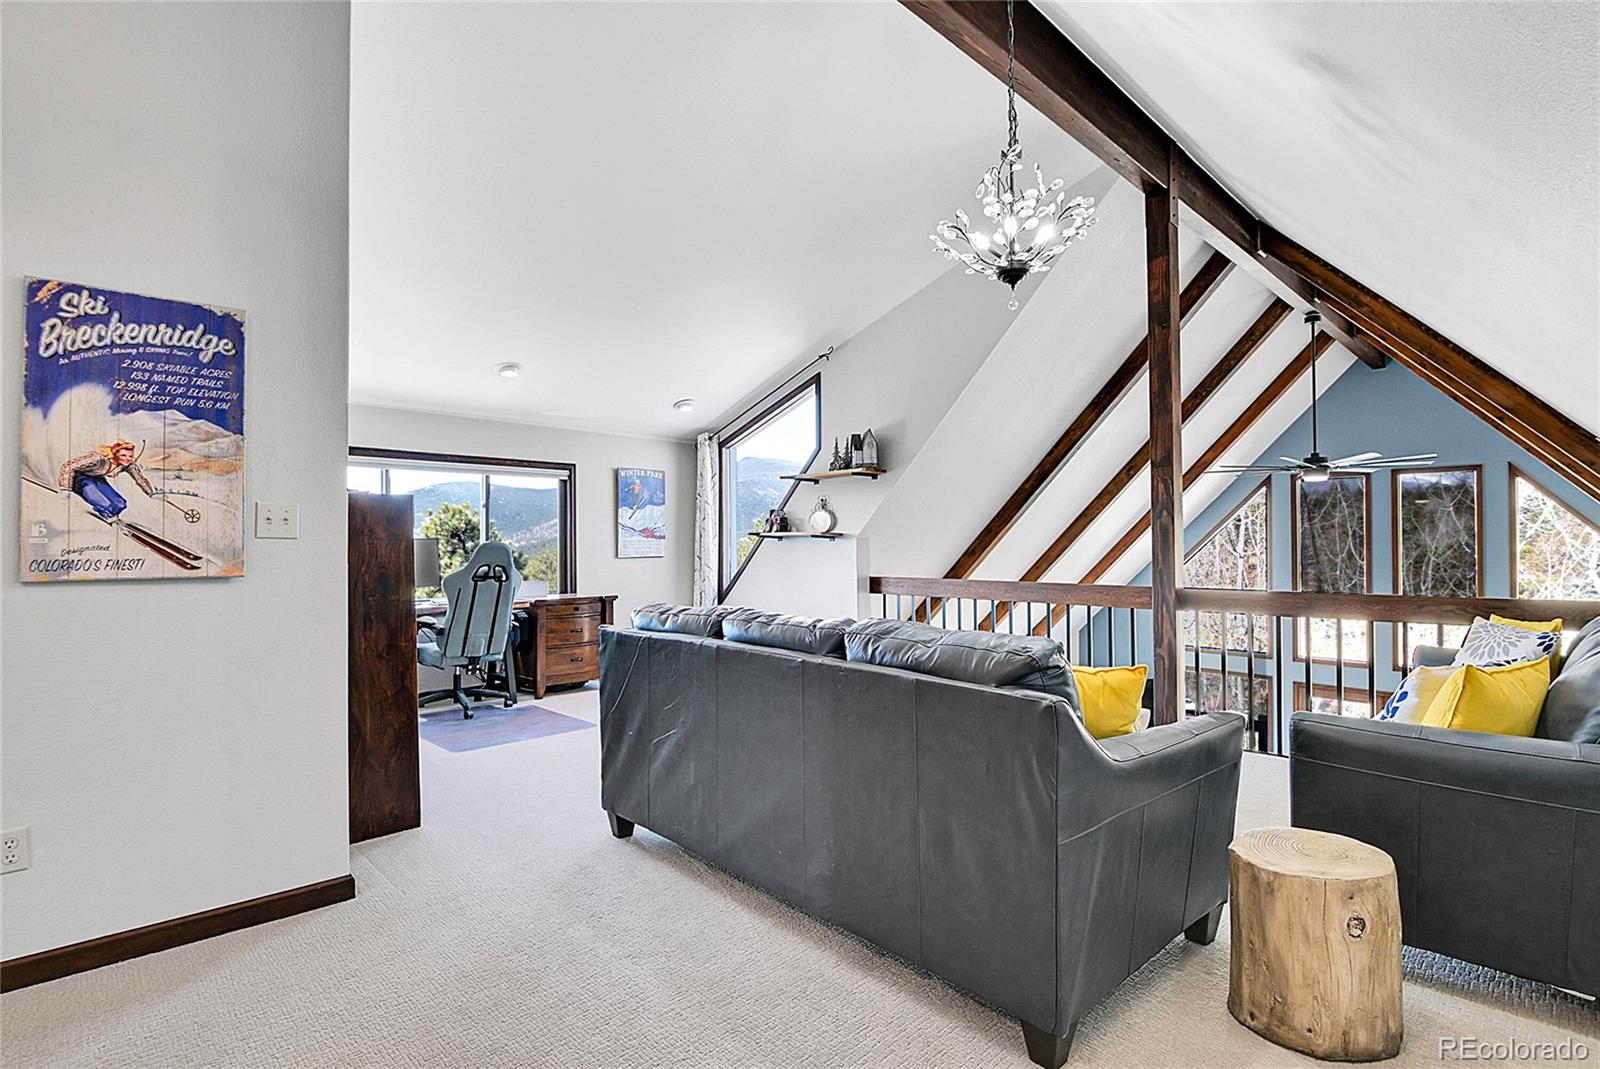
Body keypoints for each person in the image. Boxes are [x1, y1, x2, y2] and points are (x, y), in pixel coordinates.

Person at [57, 438, 162, 521]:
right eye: (123, 455)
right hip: (79, 478)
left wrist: (151, 493)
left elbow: (140, 479)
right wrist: (65, 488)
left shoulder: (129, 465)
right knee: (104, 502)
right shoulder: (98, 459)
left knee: (120, 504)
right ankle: (106, 515)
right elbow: (69, 466)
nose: (128, 459)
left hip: (97, 479)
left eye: (130, 456)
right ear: (115, 455)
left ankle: (111, 516)